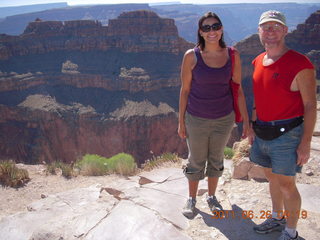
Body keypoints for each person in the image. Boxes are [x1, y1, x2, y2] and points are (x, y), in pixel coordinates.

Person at [249, 10, 317, 240]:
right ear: (259, 31)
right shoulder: (257, 61)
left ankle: (291, 232)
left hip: (287, 133)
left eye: (276, 27)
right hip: (262, 132)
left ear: (285, 30)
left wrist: (305, 142)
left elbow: (310, 105)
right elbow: (259, 97)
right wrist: (252, 126)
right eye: (265, 27)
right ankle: (277, 217)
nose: (270, 32)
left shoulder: (300, 63)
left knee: (287, 184)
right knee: (272, 178)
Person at [178, 11, 249, 218]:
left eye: (215, 26)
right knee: (196, 160)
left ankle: (211, 196)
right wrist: (181, 122)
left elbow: (239, 88)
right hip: (196, 118)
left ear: (221, 29)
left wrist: (244, 121)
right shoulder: (191, 56)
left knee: (216, 159)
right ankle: (191, 199)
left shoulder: (232, 54)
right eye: (206, 28)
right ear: (200, 32)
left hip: (224, 118)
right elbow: (184, 90)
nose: (212, 31)